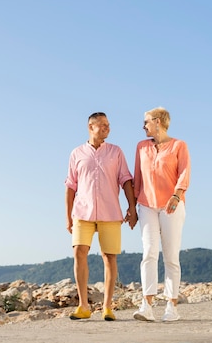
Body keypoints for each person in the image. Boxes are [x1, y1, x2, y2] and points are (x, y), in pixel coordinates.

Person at [65, 112, 137, 321]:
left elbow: (125, 180)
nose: (107, 128)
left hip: (110, 212)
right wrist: (67, 216)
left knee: (109, 257)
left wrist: (131, 207)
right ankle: (83, 306)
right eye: (103, 125)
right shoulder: (77, 153)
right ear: (91, 126)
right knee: (79, 252)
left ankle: (107, 307)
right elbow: (70, 186)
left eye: (108, 125)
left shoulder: (116, 152)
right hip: (82, 212)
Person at [131, 107, 190, 322]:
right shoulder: (141, 147)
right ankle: (146, 305)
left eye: (145, 121)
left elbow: (184, 173)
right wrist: (132, 208)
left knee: (171, 255)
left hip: (171, 205)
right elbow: (137, 177)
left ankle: (171, 306)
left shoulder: (178, 145)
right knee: (149, 252)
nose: (143, 126)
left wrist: (176, 195)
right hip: (146, 205)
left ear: (157, 121)